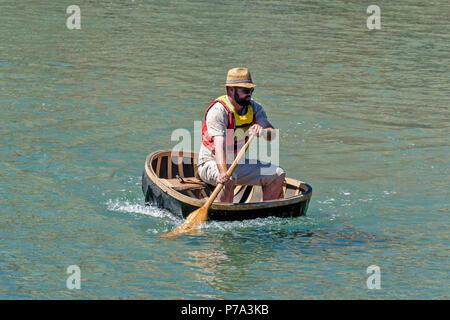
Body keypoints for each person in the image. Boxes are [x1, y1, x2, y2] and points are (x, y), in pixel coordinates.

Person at [197, 67, 285, 203]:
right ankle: (225, 219)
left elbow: (272, 135)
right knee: (229, 180)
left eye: (251, 90)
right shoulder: (218, 111)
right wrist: (223, 173)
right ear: (231, 90)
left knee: (278, 174)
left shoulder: (255, 108)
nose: (250, 94)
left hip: (237, 162)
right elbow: (219, 147)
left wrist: (262, 131)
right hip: (211, 162)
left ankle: (265, 216)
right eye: (245, 90)